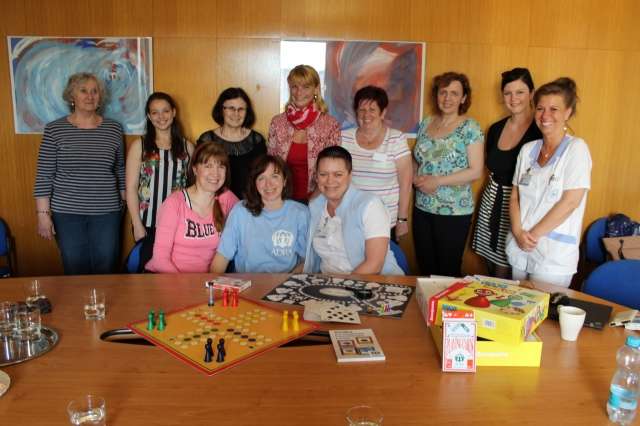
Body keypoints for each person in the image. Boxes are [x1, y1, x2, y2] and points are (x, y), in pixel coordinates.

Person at [34, 72, 125, 275]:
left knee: (107, 267)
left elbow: (120, 170)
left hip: (107, 213)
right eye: (83, 91)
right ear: (71, 96)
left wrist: (130, 208)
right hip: (67, 214)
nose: (90, 96)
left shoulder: (113, 129)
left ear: (100, 97)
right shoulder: (54, 130)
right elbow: (44, 175)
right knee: (75, 269)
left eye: (95, 91)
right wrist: (43, 215)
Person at [506, 77, 591, 288]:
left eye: (554, 109)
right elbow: (515, 196)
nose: (545, 116)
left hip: (552, 255)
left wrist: (532, 236)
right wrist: (518, 232)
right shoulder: (528, 150)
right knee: (515, 304)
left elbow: (570, 202)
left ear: (568, 112)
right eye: (540, 109)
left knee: (544, 307)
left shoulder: (576, 149)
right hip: (520, 246)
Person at [471, 68, 542, 279]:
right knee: (489, 261)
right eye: (508, 93)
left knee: (509, 266)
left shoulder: (539, 130)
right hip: (491, 200)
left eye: (520, 92)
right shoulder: (495, 129)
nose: (514, 98)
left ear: (531, 93)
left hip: (519, 207)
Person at [412, 71, 484, 277]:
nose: (447, 98)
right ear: (436, 95)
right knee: (425, 268)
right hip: (422, 208)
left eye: (454, 93)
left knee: (447, 271)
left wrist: (437, 181)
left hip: (454, 212)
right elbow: (418, 158)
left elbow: (476, 170)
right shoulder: (426, 123)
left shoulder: (470, 127)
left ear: (463, 98)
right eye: (443, 92)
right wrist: (414, 176)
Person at [303, 146, 403, 275]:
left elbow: (375, 265)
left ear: (350, 175)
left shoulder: (370, 205)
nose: (330, 181)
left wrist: (343, 285)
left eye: (338, 174)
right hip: (327, 282)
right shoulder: (314, 207)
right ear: (316, 177)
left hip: (374, 282)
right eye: (323, 174)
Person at [125, 92, 194, 270]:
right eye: (155, 112)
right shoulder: (139, 146)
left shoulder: (187, 147)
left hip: (178, 222)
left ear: (174, 112)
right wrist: (136, 224)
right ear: (149, 116)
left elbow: (193, 187)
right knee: (148, 269)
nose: (161, 117)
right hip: (147, 222)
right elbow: (131, 188)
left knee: (174, 268)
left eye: (165, 111)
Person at [145, 143, 239, 273]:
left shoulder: (226, 198)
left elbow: (250, 217)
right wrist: (186, 285)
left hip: (204, 281)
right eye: (208, 166)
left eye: (221, 167)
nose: (215, 173)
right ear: (195, 169)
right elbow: (160, 260)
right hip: (166, 278)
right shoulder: (174, 203)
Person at [211, 155, 309, 273]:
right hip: (246, 282)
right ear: (255, 183)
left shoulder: (301, 213)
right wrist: (212, 282)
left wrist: (288, 281)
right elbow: (222, 256)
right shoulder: (241, 211)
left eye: (275, 176)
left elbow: (307, 261)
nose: (268, 184)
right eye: (261, 178)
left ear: (285, 180)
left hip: (286, 281)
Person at [341, 86, 412, 241]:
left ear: (383, 112)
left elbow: (405, 184)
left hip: (385, 223)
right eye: (362, 110)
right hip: (350, 219)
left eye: (372, 109)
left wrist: (402, 219)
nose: (366, 115)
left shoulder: (396, 139)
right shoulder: (343, 138)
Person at [268, 65, 340, 203]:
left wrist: (313, 201)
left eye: (306, 87)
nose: (299, 92)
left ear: (316, 89)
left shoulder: (330, 125)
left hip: (318, 199)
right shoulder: (277, 123)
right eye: (294, 87)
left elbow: (333, 168)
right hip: (282, 200)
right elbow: (271, 165)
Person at [197, 87, 266, 199]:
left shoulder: (256, 140)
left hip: (249, 204)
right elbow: (199, 176)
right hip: (214, 202)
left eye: (241, 109)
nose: (236, 113)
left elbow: (262, 176)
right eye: (231, 108)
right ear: (221, 109)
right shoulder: (207, 140)